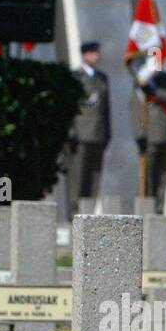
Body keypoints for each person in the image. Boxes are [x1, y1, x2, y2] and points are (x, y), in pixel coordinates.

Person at [66, 41, 110, 214]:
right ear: (84, 55)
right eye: (92, 53)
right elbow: (70, 106)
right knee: (78, 176)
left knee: (94, 176)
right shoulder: (76, 77)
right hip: (81, 134)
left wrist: (108, 132)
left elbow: (106, 109)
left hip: (99, 134)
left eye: (96, 53)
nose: (96, 56)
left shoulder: (102, 78)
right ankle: (74, 212)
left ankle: (88, 212)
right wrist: (71, 131)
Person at [130, 67, 166, 204]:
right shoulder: (141, 80)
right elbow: (135, 108)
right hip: (148, 135)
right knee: (147, 175)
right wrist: (139, 134)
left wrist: (155, 93)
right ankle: (146, 206)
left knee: (163, 175)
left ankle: (159, 208)